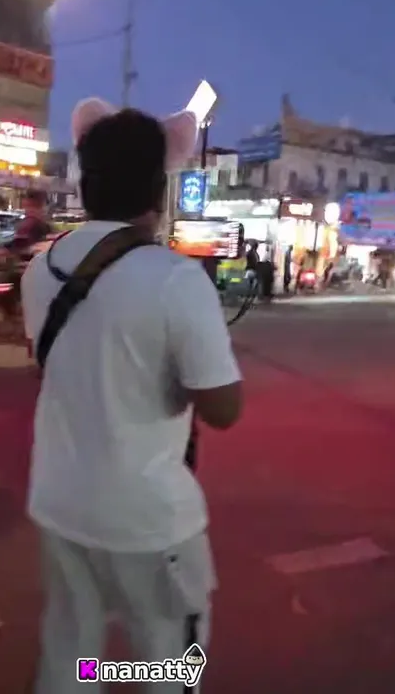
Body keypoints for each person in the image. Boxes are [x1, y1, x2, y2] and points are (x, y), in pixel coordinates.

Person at [22, 98, 243, 694]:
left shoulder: (40, 269)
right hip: (146, 519)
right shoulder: (174, 278)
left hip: (60, 501)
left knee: (71, 653)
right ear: (158, 188)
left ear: (84, 184)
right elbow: (224, 409)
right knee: (169, 662)